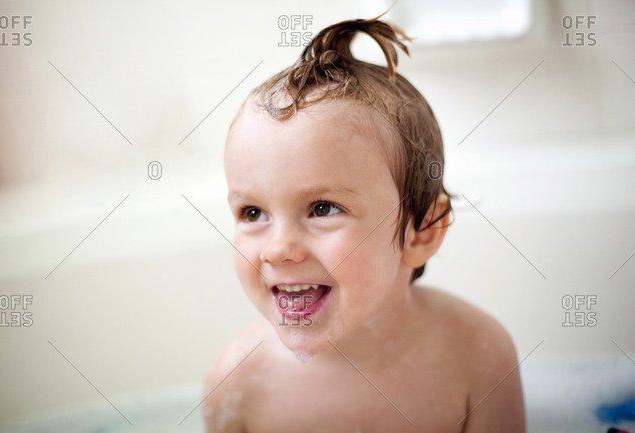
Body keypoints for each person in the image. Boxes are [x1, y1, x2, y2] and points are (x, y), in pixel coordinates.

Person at [203, 17, 525, 432]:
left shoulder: (476, 356)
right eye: (252, 213)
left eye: (322, 208)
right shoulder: (237, 385)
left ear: (421, 231)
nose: (277, 248)